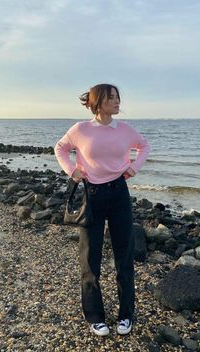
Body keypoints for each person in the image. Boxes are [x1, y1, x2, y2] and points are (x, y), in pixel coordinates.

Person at [54, 83, 150, 336]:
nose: (118, 102)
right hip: (92, 195)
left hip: (119, 193)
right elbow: (60, 148)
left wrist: (133, 168)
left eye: (118, 97)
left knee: (124, 255)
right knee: (90, 258)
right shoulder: (80, 129)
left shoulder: (126, 129)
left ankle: (126, 315)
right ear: (98, 102)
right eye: (112, 98)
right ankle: (95, 316)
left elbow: (144, 146)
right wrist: (72, 171)